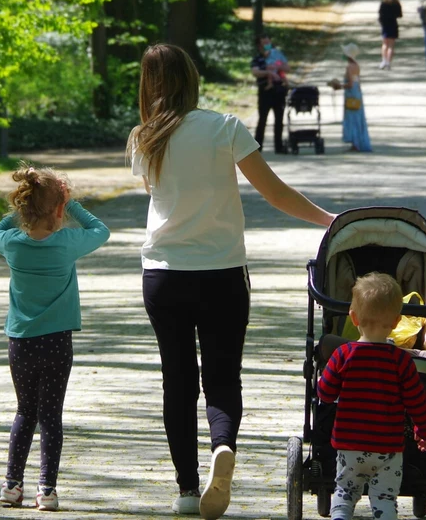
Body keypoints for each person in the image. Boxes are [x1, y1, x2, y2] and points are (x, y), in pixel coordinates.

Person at [127, 43, 335, 520]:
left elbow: (159, 194)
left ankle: (185, 488)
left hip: (163, 275)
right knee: (222, 377)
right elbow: (275, 192)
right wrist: (328, 219)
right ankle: (223, 445)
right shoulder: (225, 128)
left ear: (149, 85)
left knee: (176, 381)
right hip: (222, 274)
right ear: (191, 79)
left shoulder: (144, 138)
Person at [0, 165, 111, 512]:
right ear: (59, 209)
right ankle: (47, 490)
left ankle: (12, 485)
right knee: (51, 416)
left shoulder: (12, 245)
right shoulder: (66, 243)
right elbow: (100, 230)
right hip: (57, 342)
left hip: (21, 341)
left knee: (24, 412)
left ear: (24, 206)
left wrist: (20, 213)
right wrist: (71, 204)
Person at [317, 273, 426, 520]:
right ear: (396, 321)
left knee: (345, 494)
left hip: (349, 445)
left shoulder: (343, 354)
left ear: (353, 317)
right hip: (387, 448)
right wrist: (424, 432)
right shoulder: (401, 361)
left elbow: (325, 393)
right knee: (384, 499)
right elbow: (417, 402)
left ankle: (340, 516)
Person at [250, 35, 289, 154]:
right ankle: (258, 147)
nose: (267, 44)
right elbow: (255, 72)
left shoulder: (277, 55)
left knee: (279, 119)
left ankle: (279, 146)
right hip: (265, 92)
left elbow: (287, 67)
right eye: (264, 42)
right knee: (262, 119)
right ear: (259, 45)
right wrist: (268, 72)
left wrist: (278, 66)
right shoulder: (257, 59)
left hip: (279, 90)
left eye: (268, 42)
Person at [337, 43, 372, 152]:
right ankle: (357, 142)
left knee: (352, 117)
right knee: (358, 117)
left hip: (351, 93)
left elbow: (350, 83)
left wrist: (340, 86)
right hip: (357, 93)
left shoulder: (349, 67)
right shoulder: (357, 65)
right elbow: (358, 82)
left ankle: (355, 143)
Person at [377, 0, 402, 70]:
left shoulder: (383, 2)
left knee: (384, 44)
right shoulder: (396, 3)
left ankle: (383, 60)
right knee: (391, 45)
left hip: (385, 25)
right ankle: (388, 63)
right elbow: (400, 15)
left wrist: (381, 21)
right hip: (393, 25)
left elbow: (380, 14)